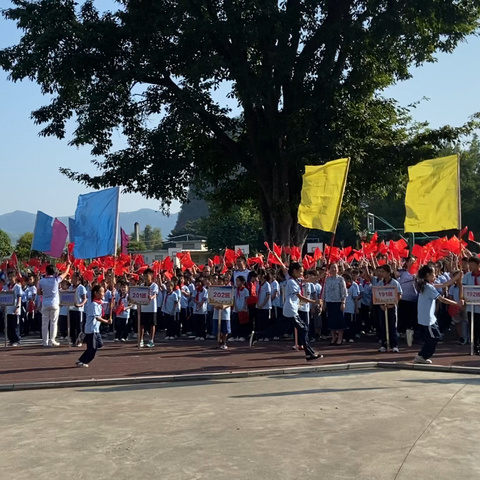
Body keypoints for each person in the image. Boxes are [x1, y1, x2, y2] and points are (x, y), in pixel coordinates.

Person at [414, 265, 462, 364]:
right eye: (433, 273)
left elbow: (444, 285)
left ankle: (422, 355)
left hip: (430, 319)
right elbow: (442, 299)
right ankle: (422, 356)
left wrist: (456, 278)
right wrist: (456, 303)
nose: (435, 276)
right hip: (427, 319)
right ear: (428, 275)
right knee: (433, 338)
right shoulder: (427, 287)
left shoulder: (426, 285)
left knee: (434, 337)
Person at [283, 262, 322, 361]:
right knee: (303, 329)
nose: (302, 273)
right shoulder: (291, 282)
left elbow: (309, 280)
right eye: (300, 271)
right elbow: (300, 297)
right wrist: (314, 301)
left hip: (292, 310)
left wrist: (322, 275)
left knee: (280, 329)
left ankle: (309, 353)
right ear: (294, 271)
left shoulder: (297, 280)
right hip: (290, 309)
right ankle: (309, 353)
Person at [76, 285, 113, 367]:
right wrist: (107, 321)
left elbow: (109, 304)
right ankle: (82, 361)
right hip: (91, 329)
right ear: (96, 293)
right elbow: (97, 318)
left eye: (104, 292)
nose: (103, 294)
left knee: (99, 344)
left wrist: (112, 299)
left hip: (96, 330)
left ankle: (83, 339)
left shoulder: (99, 303)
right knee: (92, 349)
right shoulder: (93, 304)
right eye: (101, 292)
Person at [38, 262, 71, 347]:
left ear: (46, 271)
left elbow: (38, 293)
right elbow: (65, 273)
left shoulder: (41, 281)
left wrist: (44, 292)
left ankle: (45, 341)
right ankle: (52, 340)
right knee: (53, 322)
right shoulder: (56, 280)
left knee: (44, 323)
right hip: (54, 303)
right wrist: (68, 266)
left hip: (45, 303)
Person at [376, 264, 402, 353]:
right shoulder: (380, 283)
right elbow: (377, 295)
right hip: (383, 307)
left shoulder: (395, 283)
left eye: (383, 272)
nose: (381, 273)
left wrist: (393, 304)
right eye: (380, 271)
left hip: (392, 307)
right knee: (383, 325)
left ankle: (394, 345)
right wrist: (381, 305)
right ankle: (384, 344)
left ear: (388, 272)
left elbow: (399, 294)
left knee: (392, 326)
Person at [323, 263, 348, 346]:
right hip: (329, 301)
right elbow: (324, 290)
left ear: (338, 269)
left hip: (338, 302)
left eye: (335, 267)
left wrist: (343, 302)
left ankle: (340, 338)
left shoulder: (340, 279)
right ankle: (333, 337)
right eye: (332, 267)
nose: (333, 269)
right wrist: (323, 302)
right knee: (331, 320)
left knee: (339, 320)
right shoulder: (327, 279)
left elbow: (344, 291)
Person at [462, 257, 480, 354]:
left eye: (473, 264)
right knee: (473, 327)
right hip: (471, 307)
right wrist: (463, 299)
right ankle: (474, 347)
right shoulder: (467, 276)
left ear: (478, 265)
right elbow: (464, 289)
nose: (471, 266)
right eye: (470, 264)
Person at [140, 268, 158, 348]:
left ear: (151, 276)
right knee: (142, 324)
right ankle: (141, 340)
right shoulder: (141, 285)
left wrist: (151, 297)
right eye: (144, 276)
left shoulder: (154, 285)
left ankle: (151, 340)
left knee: (152, 324)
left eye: (147, 276)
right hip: (143, 307)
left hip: (152, 308)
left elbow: (155, 294)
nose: (145, 277)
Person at [3, 271, 22, 346]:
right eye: (9, 276)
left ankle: (16, 340)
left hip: (15, 308)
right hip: (8, 309)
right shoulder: (5, 286)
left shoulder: (18, 287)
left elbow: (19, 297)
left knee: (15, 326)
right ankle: (11, 339)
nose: (10, 278)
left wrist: (18, 307)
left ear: (15, 277)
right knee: (8, 326)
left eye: (12, 276)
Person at [69, 273, 87, 346]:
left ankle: (80, 341)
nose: (71, 279)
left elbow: (85, 298)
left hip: (79, 310)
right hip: (71, 309)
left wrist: (80, 304)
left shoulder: (81, 287)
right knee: (72, 326)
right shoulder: (70, 287)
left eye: (73, 277)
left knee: (79, 326)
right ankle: (73, 340)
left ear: (77, 279)